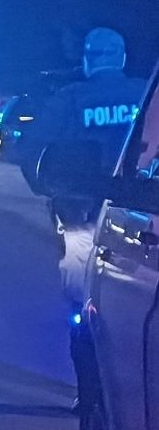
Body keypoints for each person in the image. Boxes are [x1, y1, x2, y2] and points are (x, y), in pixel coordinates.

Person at [18, 27, 147, 397]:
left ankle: (91, 396)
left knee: (84, 307)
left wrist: (50, 190)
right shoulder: (144, 93)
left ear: (88, 59)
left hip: (83, 216)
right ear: (121, 58)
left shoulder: (70, 99)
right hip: (142, 216)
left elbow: (32, 154)